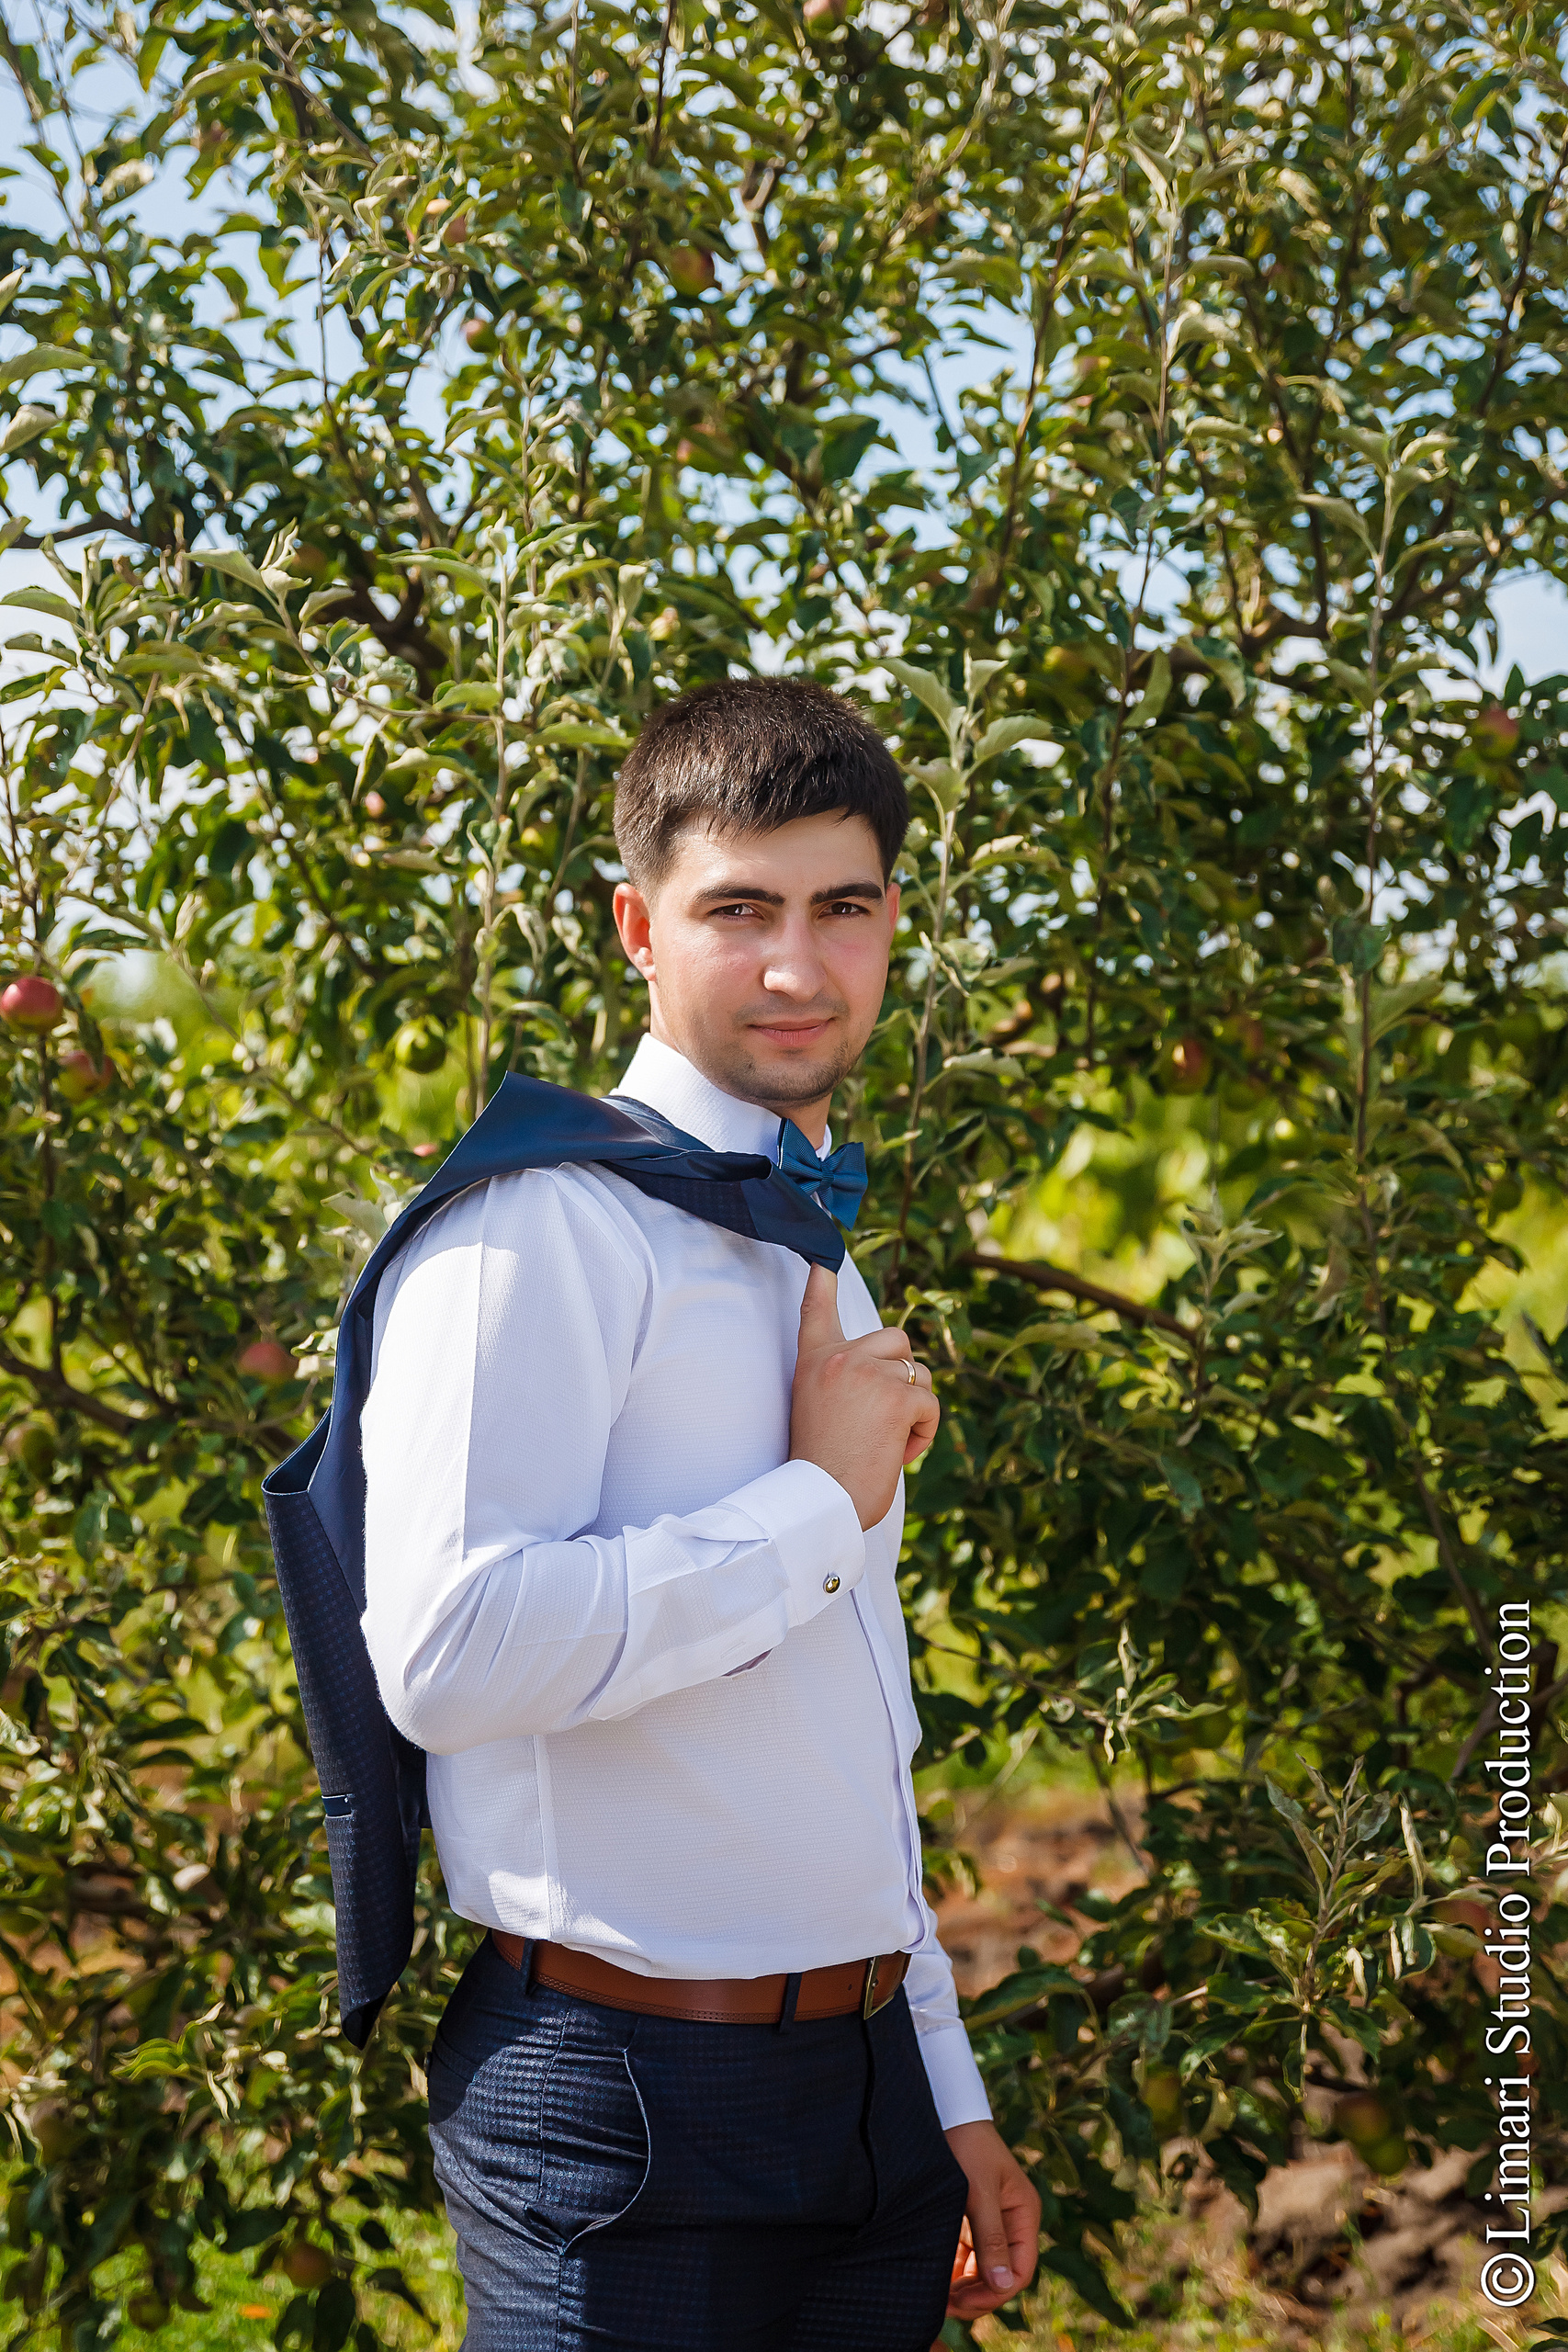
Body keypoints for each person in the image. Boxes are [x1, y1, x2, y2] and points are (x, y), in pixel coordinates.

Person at [358, 675, 1041, 2350]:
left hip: (867, 2105)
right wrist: (815, 1502)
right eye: (740, 910)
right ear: (636, 929)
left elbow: (845, 1720)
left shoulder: (808, 1237)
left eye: (842, 908)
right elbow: (448, 1655)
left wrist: (940, 2082)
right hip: (624, 2112)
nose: (799, 966)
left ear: (893, 924)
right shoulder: (541, 1227)